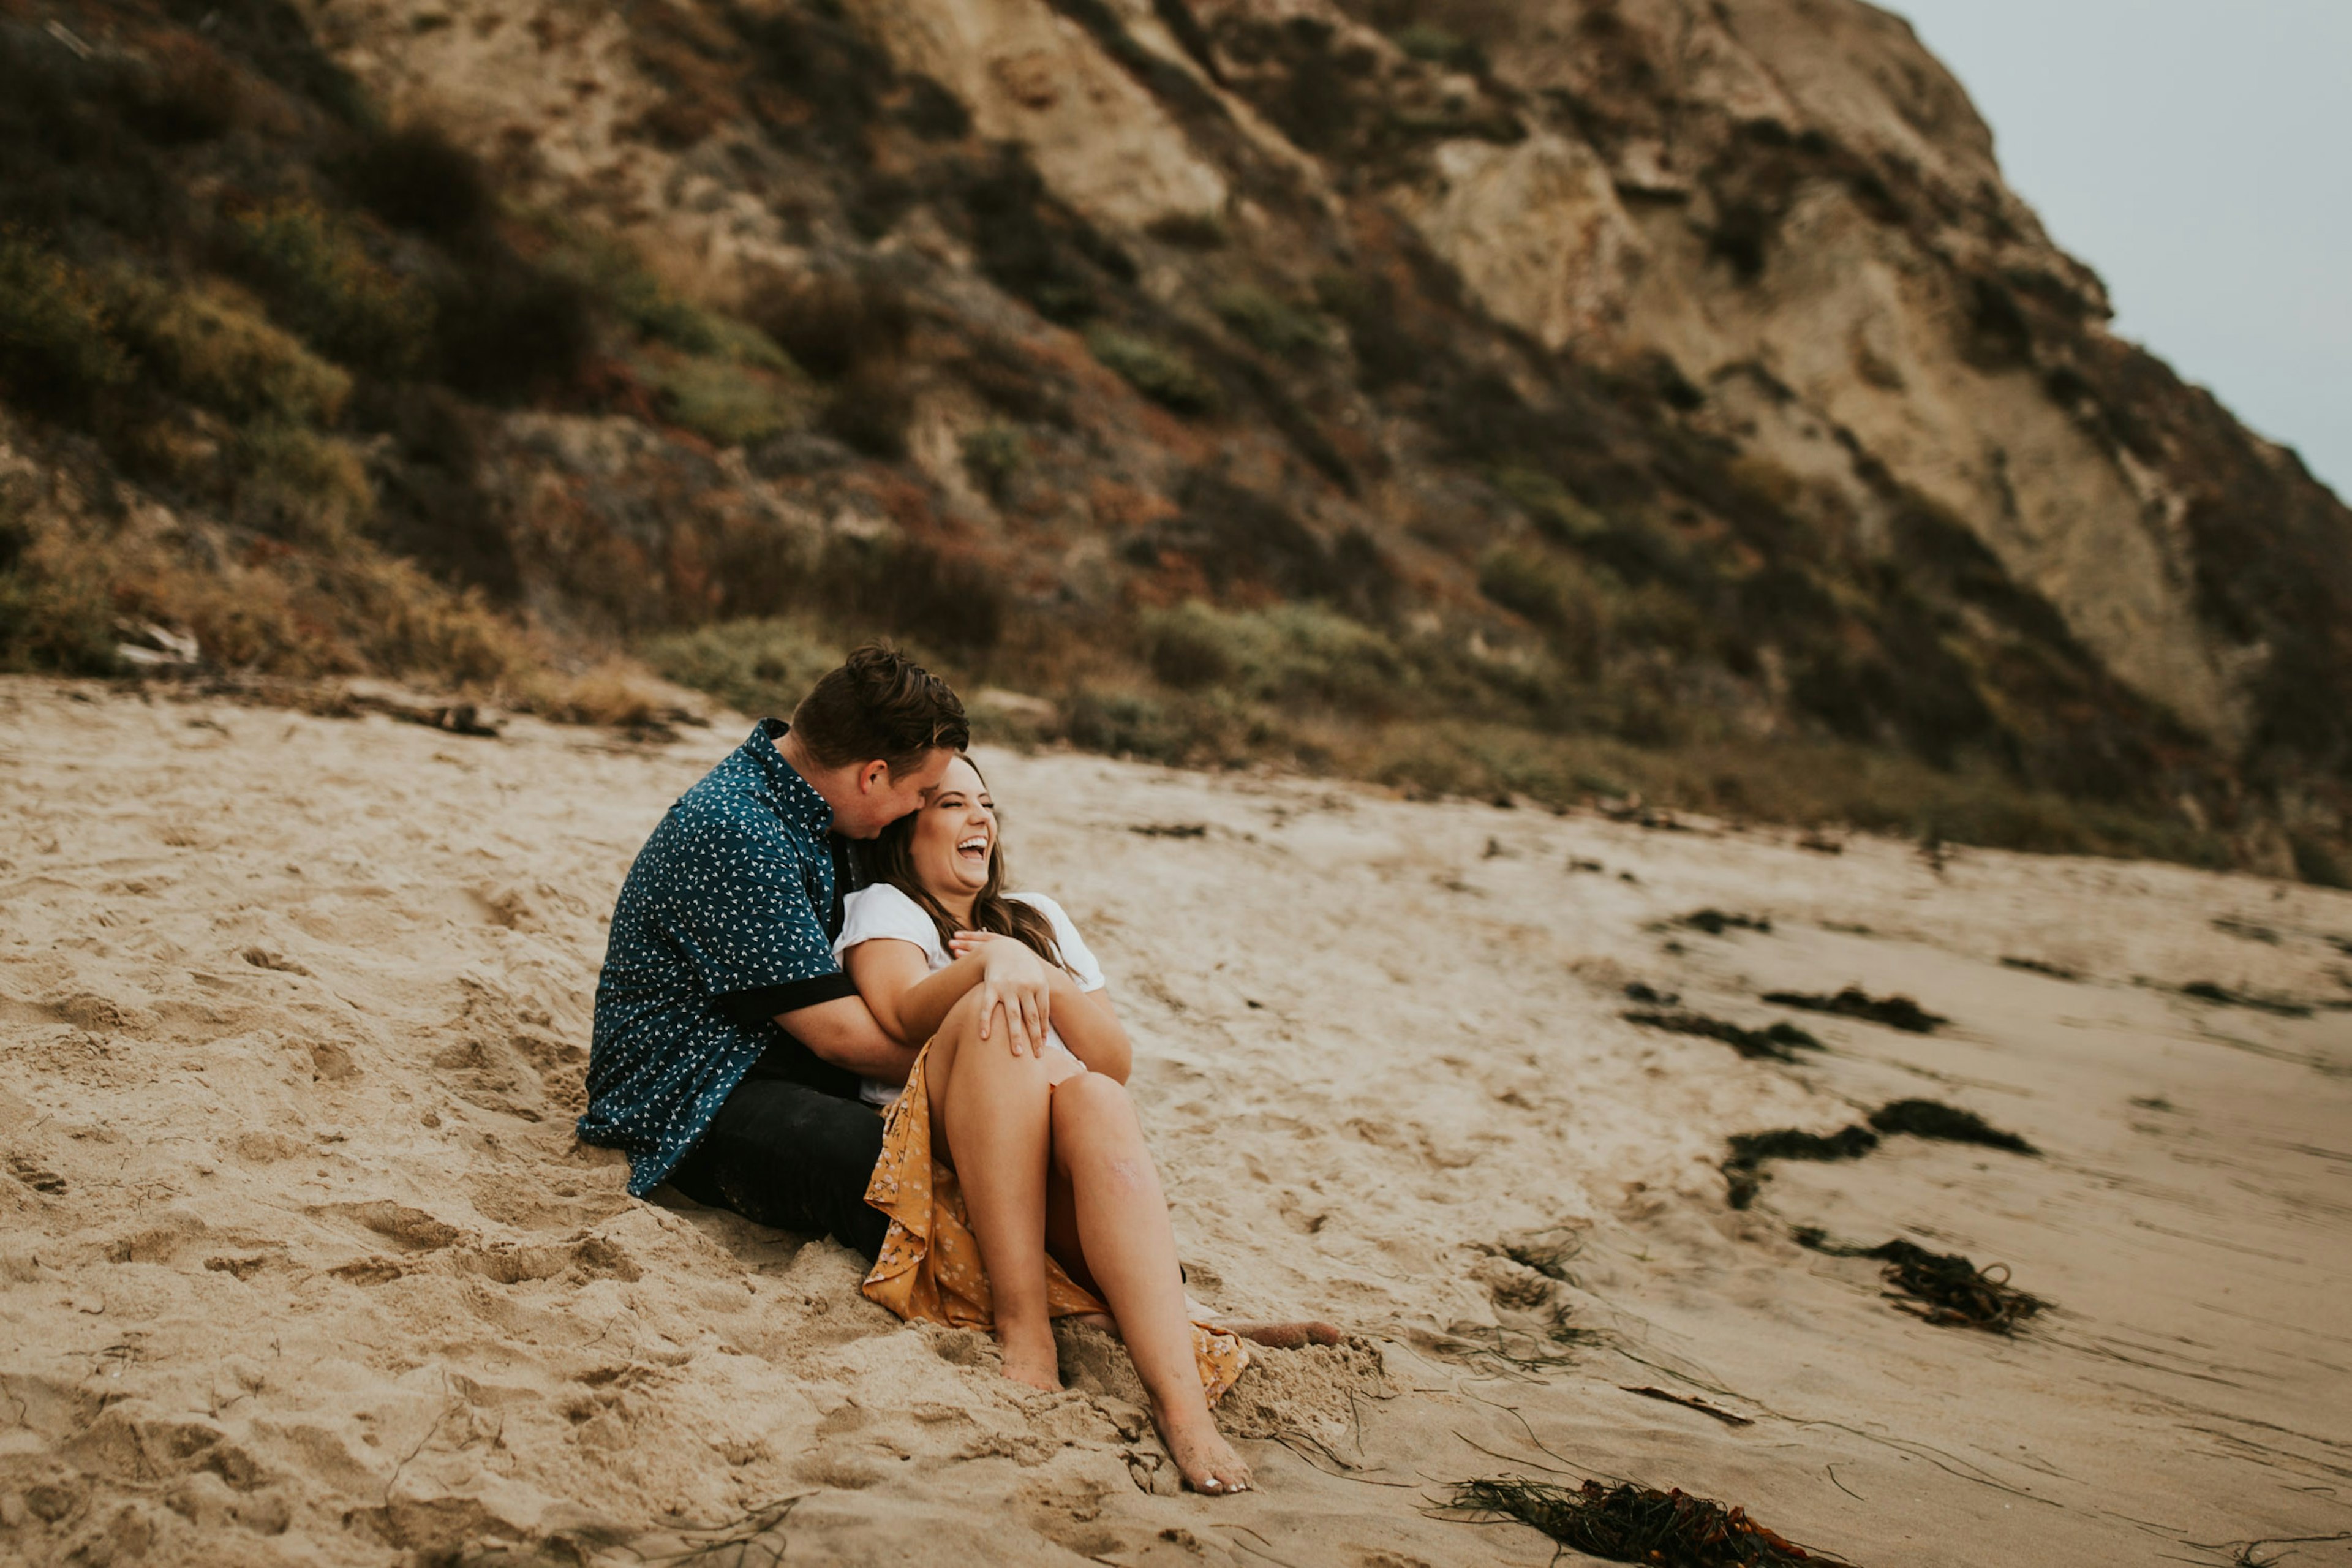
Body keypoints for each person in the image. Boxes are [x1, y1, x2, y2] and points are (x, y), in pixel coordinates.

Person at [840, 754, 1262, 1494]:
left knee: (1098, 1097)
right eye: (951, 804)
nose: (981, 818)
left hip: (1059, 1162)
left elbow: (1114, 1059)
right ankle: (1026, 1328)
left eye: (987, 804)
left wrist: (1031, 965)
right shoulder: (887, 906)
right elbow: (904, 1010)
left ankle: (1184, 1409)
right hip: (957, 1163)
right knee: (989, 1018)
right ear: (908, 831)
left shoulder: (1034, 916)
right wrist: (988, 972)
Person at [578, 646, 1047, 1254]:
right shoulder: (734, 829)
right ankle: (1070, 1278)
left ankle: (1113, 1262)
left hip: (802, 1062)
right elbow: (843, 1039)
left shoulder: (837, 814)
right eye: (923, 791)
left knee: (1007, 1140)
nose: (918, 808)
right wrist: (995, 1073)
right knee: (871, 1163)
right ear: (872, 775)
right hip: (697, 1089)